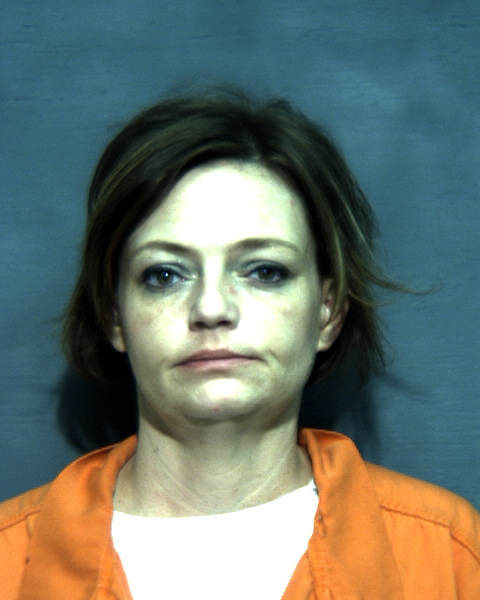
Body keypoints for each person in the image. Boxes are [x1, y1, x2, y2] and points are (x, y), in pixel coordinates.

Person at [1, 86, 479, 600]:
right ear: (114, 315)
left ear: (328, 310)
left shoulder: (451, 554)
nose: (211, 308)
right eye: (165, 275)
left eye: (264, 271)